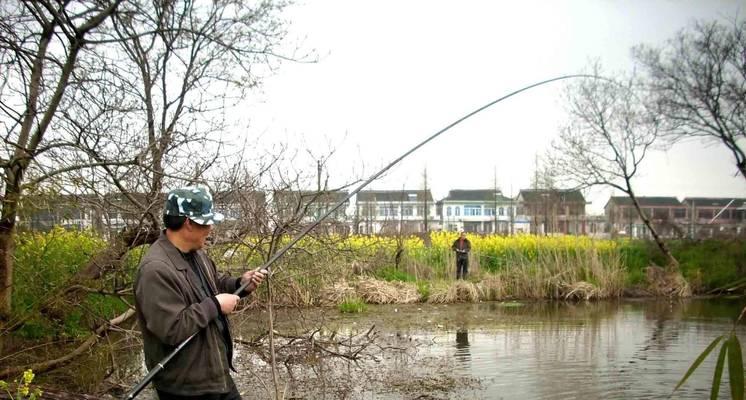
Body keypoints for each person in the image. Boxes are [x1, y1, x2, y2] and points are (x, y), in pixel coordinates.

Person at [134, 186, 267, 400]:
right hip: (186, 387)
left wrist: (241, 284)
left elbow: (215, 284)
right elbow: (172, 329)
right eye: (207, 221)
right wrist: (214, 305)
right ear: (188, 223)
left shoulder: (196, 254)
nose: (211, 228)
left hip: (214, 374)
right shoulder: (155, 269)